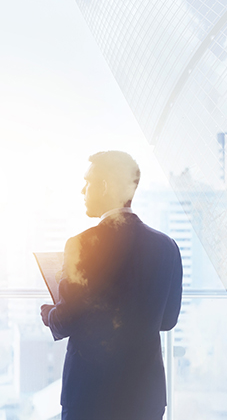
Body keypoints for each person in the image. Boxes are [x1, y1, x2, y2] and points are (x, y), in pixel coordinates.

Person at [40, 151, 183, 420]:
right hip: (145, 398)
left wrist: (49, 314)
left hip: (90, 397)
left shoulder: (81, 245)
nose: (83, 189)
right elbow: (168, 320)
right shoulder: (167, 247)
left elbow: (66, 320)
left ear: (105, 186)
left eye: (88, 182)